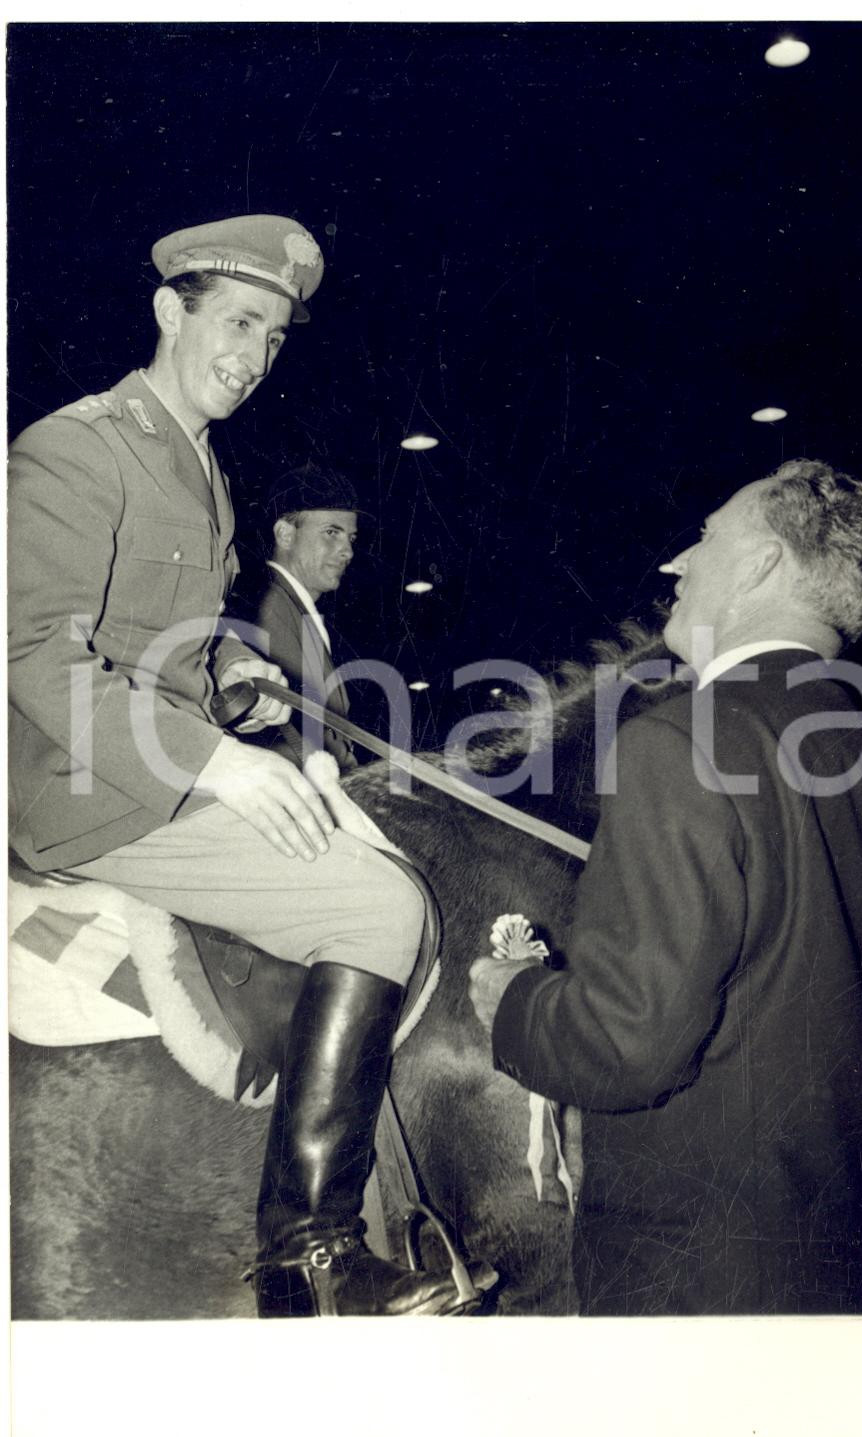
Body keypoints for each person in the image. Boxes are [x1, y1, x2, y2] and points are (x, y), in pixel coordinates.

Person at [8, 214, 481, 1318]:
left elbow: (166, 636)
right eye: (237, 322)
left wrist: (235, 672)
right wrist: (216, 761)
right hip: (84, 790)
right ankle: (308, 1256)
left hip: (161, 763)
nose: (254, 354)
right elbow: (29, 650)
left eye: (272, 336)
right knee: (375, 908)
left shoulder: (202, 468)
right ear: (168, 312)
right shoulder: (76, 447)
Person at [469, 458, 862, 1316]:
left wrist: (514, 1001)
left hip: (702, 1289)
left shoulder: (679, 742)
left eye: (706, 537)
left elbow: (624, 1042)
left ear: (760, 564)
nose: (676, 562)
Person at [251, 463, 363, 772]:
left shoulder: (295, 608)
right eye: (331, 533)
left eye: (351, 538)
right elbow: (293, 735)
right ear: (285, 534)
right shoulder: (270, 607)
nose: (348, 552)